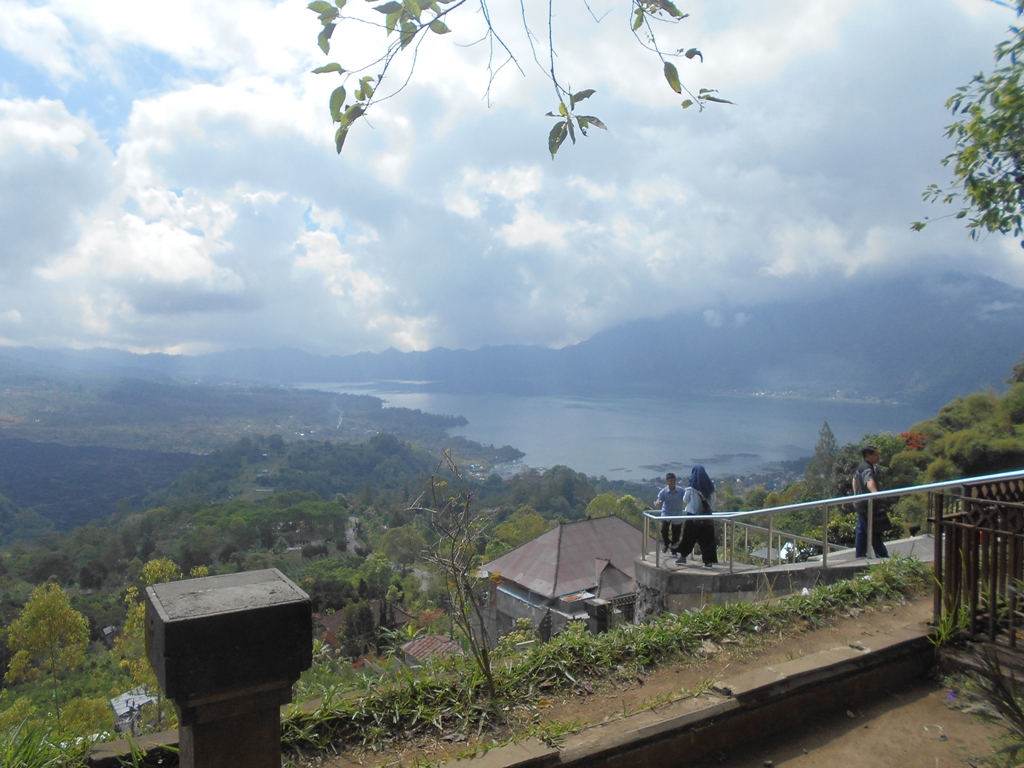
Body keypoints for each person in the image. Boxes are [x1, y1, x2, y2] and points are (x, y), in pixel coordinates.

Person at [672, 465, 718, 568]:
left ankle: (683, 557)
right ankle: (708, 562)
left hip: (693, 516)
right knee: (707, 539)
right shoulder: (710, 487)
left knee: (688, 538)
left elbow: (685, 500)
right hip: (707, 517)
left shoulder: (691, 487)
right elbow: (713, 500)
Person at [853, 444, 889, 558]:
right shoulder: (867, 468)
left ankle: (860, 555)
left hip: (860, 503)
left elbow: (854, 479)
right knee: (872, 530)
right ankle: (882, 555)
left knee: (862, 530)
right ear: (868, 456)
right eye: (876, 455)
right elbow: (869, 480)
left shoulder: (862, 466)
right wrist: (875, 493)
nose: (878, 457)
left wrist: (855, 495)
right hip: (865, 505)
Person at [654, 472, 684, 554]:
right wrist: (658, 502)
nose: (672, 483)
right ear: (667, 482)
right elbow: (659, 499)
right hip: (666, 512)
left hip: (677, 513)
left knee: (676, 532)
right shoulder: (663, 492)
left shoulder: (681, 490)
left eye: (674, 481)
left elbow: (686, 498)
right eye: (670, 481)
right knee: (664, 530)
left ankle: (674, 549)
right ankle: (666, 543)